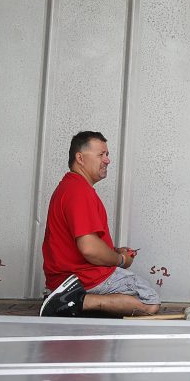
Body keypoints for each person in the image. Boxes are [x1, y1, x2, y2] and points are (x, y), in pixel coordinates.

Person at [40, 131, 161, 317]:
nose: (107, 160)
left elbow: (83, 243)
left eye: (107, 154)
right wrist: (121, 260)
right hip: (84, 277)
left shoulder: (69, 187)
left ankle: (72, 300)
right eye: (101, 155)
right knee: (149, 302)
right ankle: (73, 301)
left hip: (67, 277)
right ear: (80, 158)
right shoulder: (79, 191)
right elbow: (90, 249)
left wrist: (115, 251)